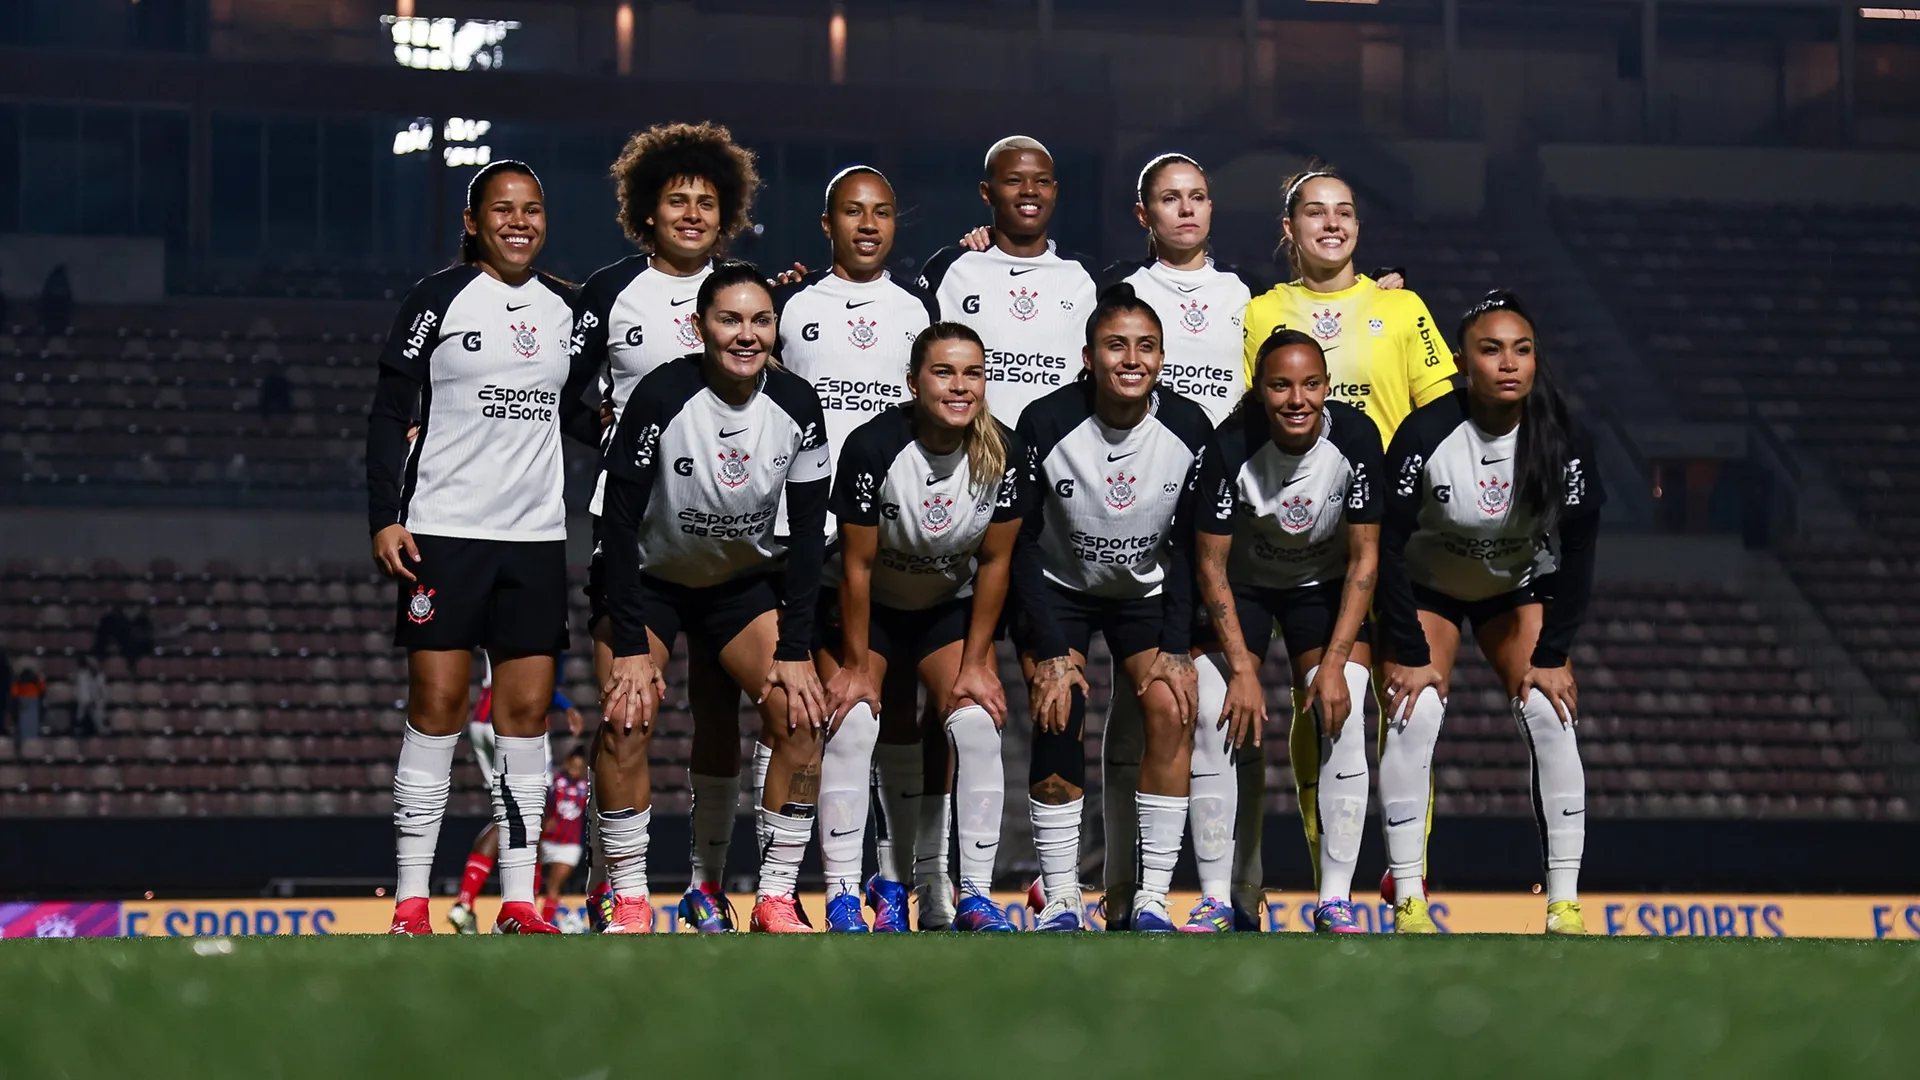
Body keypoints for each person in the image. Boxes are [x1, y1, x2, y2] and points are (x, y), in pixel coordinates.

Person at [366, 159, 595, 936]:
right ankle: (410, 903)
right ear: (473, 221)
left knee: (525, 719)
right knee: (435, 709)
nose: (519, 222)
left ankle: (519, 903)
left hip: (534, 537)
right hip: (443, 530)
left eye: (532, 209)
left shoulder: (567, 309)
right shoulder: (436, 299)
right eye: (503, 209)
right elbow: (388, 410)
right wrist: (383, 516)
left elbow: (575, 407)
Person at [594, 260, 832, 935]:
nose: (746, 334)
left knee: (802, 717)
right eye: (730, 320)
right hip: (650, 581)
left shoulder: (798, 404)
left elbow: (808, 536)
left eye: (760, 320)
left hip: (738, 585)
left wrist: (795, 649)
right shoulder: (661, 395)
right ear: (700, 327)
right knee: (626, 717)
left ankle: (776, 898)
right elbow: (616, 524)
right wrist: (630, 644)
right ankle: (629, 899)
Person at [1239, 163, 1448, 919]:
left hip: (1392, 539)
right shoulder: (1261, 312)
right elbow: (1250, 416)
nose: (1332, 223)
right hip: (1306, 540)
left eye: (1345, 211)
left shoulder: (1401, 308)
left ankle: (1407, 873)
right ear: (1288, 229)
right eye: (1315, 212)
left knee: (1411, 703)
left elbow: (1440, 417)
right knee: (1325, 705)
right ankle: (1332, 877)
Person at [573, 121, 764, 935]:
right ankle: (614, 886)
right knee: (626, 712)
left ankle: (707, 886)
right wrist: (611, 440)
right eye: (677, 199)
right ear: (646, 211)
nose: (691, 213)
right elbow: (562, 393)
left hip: (729, 543)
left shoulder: (747, 295)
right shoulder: (608, 292)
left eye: (706, 202)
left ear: (727, 215)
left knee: (724, 716)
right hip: (636, 539)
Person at [912, 135, 1099, 929]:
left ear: (1055, 190)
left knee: (1058, 692)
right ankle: (930, 883)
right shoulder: (950, 272)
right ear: (986, 193)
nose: (1028, 192)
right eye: (1012, 182)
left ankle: (1060, 886)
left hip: (1052, 517)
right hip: (961, 506)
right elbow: (896, 336)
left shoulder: (1084, 282)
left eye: (1041, 181)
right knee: (942, 710)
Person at [1375, 289, 1602, 935]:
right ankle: (1409, 898)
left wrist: (1554, 654)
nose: (1509, 363)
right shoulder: (1426, 433)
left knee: (1551, 712)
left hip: (1514, 587)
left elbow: (1580, 548)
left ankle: (1563, 902)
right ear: (1461, 362)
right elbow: (1383, 546)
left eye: (1522, 350)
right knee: (1413, 712)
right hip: (1429, 587)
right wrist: (1408, 650)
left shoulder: (1561, 435)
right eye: (1491, 350)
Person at [814, 323, 1029, 933]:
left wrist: (976, 663)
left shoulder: (1005, 452)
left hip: (941, 608)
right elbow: (855, 567)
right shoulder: (872, 446)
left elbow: (996, 563)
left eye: (973, 373)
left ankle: (974, 895)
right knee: (854, 721)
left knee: (977, 723)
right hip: (866, 608)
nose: (960, 386)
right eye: (944, 372)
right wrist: (857, 666)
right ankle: (844, 896)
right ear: (913, 383)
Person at [773, 166, 941, 931]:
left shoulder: (918, 310)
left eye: (881, 212)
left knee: (896, 713)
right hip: (811, 542)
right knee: (822, 714)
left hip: (897, 543)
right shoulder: (793, 307)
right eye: (852, 212)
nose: (868, 225)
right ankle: (806, 883)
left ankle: (892, 881)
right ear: (827, 223)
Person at [1012, 284, 1210, 932]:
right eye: (1116, 345)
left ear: (1162, 358)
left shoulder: (1189, 428)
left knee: (1173, 710)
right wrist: (1048, 650)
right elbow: (1018, 543)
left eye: (1146, 346)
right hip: (1058, 589)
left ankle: (1152, 898)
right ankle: (1061, 898)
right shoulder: (1045, 422)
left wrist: (1177, 647)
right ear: (1088, 357)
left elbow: (1192, 547)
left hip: (1145, 593)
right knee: (1057, 713)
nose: (1132, 358)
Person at [1187, 329, 1383, 932]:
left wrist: (1334, 665)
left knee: (1343, 710)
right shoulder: (1229, 446)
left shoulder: (1357, 437)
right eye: (1280, 385)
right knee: (1214, 708)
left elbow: (1366, 558)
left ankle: (1335, 900)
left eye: (1310, 384)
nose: (1297, 399)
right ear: (1259, 390)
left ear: (1326, 386)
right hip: (1242, 586)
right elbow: (1210, 566)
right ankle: (1217, 898)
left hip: (1321, 587)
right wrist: (1242, 668)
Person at [445, 651, 587, 935]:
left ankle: (465, 902)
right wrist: (567, 706)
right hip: (517, 719)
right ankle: (525, 907)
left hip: (482, 717)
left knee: (507, 816)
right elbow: (545, 682)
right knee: (529, 814)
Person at [539, 745, 593, 928]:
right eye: (573, 765)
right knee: (533, 882)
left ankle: (544, 923)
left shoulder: (586, 788)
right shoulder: (555, 781)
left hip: (570, 844)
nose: (575, 770)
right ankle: (527, 917)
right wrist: (545, 819)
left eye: (579, 767)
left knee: (554, 885)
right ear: (567, 763)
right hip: (546, 840)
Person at [71, 655, 107, 737]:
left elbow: (103, 693)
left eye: (93, 664)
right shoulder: (81, 675)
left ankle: (99, 729)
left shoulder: (100, 677)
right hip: (83, 704)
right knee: (81, 715)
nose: (91, 666)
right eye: (89, 664)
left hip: (97, 705)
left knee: (98, 715)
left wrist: (97, 702)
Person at [11, 661, 45, 742]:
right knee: (32, 722)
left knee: (24, 722)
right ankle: (32, 740)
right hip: (33, 700)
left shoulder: (19, 679)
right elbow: (42, 689)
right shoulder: (35, 678)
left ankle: (26, 741)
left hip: (24, 700)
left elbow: (14, 692)